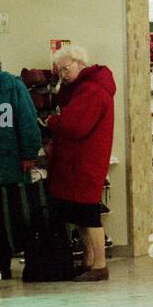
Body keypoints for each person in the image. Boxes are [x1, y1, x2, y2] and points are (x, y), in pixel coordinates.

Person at [0, 43, 42, 280]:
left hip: (10, 163)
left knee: (10, 216)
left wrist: (29, 154)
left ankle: (6, 263)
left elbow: (27, 120)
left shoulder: (12, 86)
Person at [47, 45, 116, 282]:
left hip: (84, 162)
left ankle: (99, 264)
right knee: (81, 213)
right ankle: (89, 261)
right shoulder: (85, 88)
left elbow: (74, 126)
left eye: (66, 69)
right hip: (81, 161)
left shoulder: (91, 91)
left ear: (80, 63)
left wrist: (52, 121)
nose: (63, 74)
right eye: (60, 71)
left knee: (87, 214)